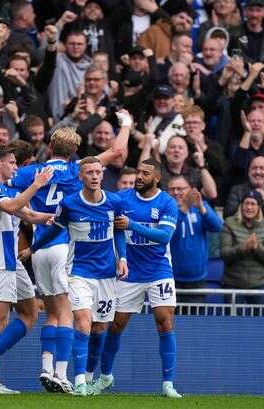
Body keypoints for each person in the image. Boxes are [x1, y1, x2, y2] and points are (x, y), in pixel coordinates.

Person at [8, 110, 131, 393]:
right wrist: (125, 123)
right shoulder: (80, 170)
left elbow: (7, 188)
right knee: (66, 314)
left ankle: (46, 368)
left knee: (50, 313)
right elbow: (119, 150)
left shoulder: (32, 171)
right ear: (75, 150)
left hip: (40, 248)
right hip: (65, 247)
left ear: (50, 146)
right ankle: (63, 374)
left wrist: (30, 214)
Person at [0, 144, 54, 394]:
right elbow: (13, 208)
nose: (16, 167)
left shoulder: (1, 189)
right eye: (12, 163)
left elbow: (28, 214)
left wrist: (53, 216)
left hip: (10, 262)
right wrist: (36, 185)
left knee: (29, 311)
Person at [90, 159, 181, 398]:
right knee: (116, 324)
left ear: (157, 178)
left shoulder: (167, 203)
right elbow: (117, 229)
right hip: (129, 272)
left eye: (145, 173)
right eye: (138, 171)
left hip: (159, 270)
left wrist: (133, 224)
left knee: (165, 321)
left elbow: (163, 236)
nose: (139, 176)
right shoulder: (123, 198)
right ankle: (105, 376)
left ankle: (168, 384)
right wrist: (122, 257)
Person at [168, 176, 222, 302]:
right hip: (171, 278)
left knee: (196, 320)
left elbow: (217, 227)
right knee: (170, 321)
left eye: (180, 188)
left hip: (197, 279)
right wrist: (184, 209)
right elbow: (169, 233)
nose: (176, 192)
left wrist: (202, 208)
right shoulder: (164, 210)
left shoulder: (201, 207)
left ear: (191, 190)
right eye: (172, 189)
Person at [220, 191, 264, 303]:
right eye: (246, 203)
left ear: (259, 207)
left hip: (260, 284)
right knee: (232, 320)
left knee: (259, 320)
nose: (249, 207)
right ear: (241, 206)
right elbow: (224, 254)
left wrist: (256, 247)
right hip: (233, 283)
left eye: (253, 204)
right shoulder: (229, 223)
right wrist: (243, 248)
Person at [225, 156, 264, 234]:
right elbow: (227, 215)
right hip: (241, 237)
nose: (258, 172)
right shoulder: (237, 190)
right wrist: (248, 200)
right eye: (254, 168)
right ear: (249, 172)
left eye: (262, 168)